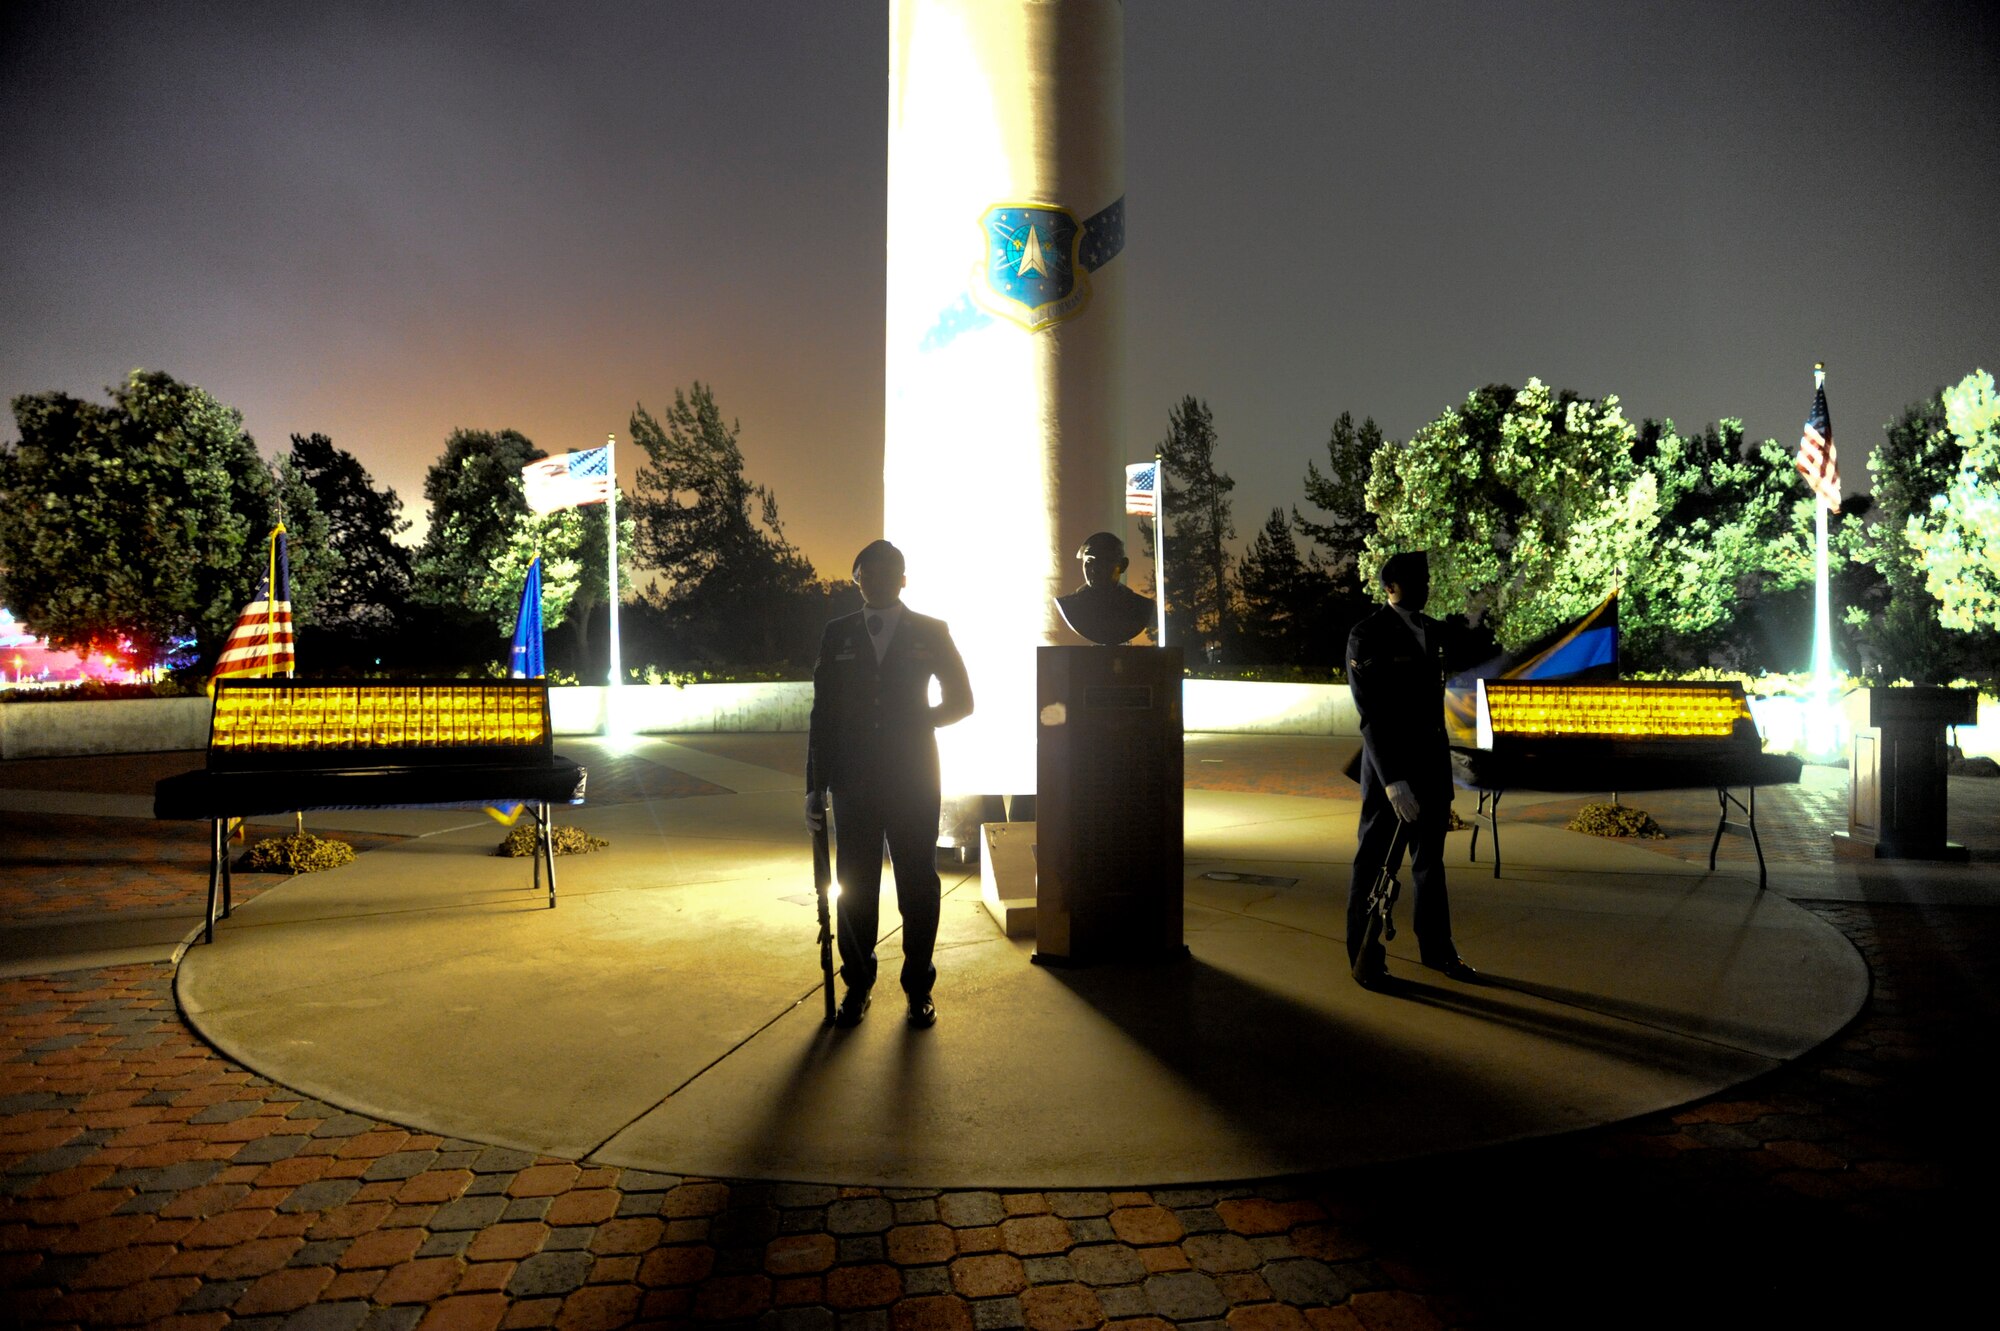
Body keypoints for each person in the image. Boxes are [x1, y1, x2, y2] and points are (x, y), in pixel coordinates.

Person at [804, 540, 974, 1028]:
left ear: (903, 578)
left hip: (913, 778)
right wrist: (814, 787)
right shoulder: (837, 634)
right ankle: (857, 986)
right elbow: (823, 716)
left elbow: (963, 700)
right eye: (866, 573)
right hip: (852, 783)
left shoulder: (931, 630)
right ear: (856, 578)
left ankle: (918, 986)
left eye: (887, 572)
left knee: (917, 886)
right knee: (855, 887)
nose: (876, 580)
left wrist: (919, 721)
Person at [1345, 550, 1476, 988]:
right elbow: (1371, 714)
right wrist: (1393, 780)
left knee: (1430, 865)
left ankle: (1438, 949)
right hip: (1391, 776)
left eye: (1427, 578)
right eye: (1417, 580)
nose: (1426, 587)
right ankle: (1364, 954)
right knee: (1374, 865)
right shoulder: (1367, 635)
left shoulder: (1434, 632)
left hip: (1431, 768)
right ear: (1391, 587)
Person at [1053, 531, 1157, 646]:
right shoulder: (1071, 605)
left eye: (1104, 561)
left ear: (1123, 565)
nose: (1094, 569)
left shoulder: (1141, 607)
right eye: (1089, 561)